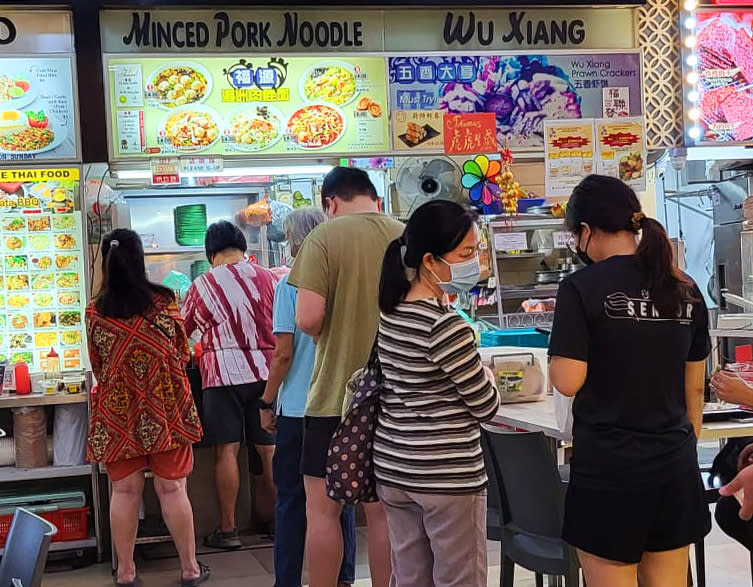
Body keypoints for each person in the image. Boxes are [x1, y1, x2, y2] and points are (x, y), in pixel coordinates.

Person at [548, 175, 711, 587]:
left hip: (609, 469)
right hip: (674, 464)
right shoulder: (684, 288)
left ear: (585, 232)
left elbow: (567, 381)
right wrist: (678, 445)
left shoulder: (580, 288)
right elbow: (695, 387)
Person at [288, 167, 403, 587]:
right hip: (397, 399)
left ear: (330, 203)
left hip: (335, 396)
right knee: (384, 512)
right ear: (373, 196)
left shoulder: (322, 238)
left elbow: (308, 317)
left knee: (323, 510)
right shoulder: (404, 236)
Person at [375, 200, 500, 586]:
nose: (476, 261)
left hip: (396, 467)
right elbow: (486, 406)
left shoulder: (391, 312)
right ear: (430, 260)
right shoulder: (446, 327)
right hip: (446, 475)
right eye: (466, 253)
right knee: (459, 579)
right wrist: (489, 377)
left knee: (411, 578)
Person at [86, 229, 209, 587]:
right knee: (173, 489)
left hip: (118, 411)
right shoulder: (166, 300)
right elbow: (183, 351)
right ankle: (190, 569)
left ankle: (126, 573)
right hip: (165, 408)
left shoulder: (95, 312)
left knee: (124, 492)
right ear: (140, 260)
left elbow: (98, 365)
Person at [258, 207, 357, 587]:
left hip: (300, 408)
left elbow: (283, 353)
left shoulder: (291, 284)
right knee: (340, 497)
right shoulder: (345, 280)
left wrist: (267, 400)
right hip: (342, 404)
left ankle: (287, 580)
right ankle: (343, 576)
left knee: (292, 501)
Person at [182, 220, 277, 549]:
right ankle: (279, 521)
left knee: (227, 450)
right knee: (269, 450)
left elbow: (183, 331)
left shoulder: (203, 284)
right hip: (267, 373)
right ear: (243, 247)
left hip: (222, 375)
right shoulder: (269, 278)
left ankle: (228, 529)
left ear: (211, 253)